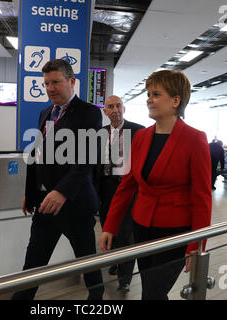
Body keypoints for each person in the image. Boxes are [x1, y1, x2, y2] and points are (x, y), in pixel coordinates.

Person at [100, 70, 212, 300]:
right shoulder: (141, 136)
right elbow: (127, 185)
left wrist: (196, 245)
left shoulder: (195, 138)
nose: (149, 98)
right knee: (153, 291)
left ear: (176, 100)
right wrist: (110, 225)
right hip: (142, 227)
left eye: (156, 94)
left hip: (175, 232)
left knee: (153, 292)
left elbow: (202, 197)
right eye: (148, 93)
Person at [12, 59, 104, 300]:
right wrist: (31, 191)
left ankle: (96, 300)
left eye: (56, 82)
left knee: (88, 265)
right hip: (44, 204)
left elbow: (86, 159)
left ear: (71, 81)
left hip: (75, 206)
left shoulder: (89, 113)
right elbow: (38, 155)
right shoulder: (45, 112)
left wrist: (62, 191)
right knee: (32, 264)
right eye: (46, 84)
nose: (50, 88)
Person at [96, 95, 144, 292]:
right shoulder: (98, 133)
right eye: (110, 107)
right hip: (105, 188)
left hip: (128, 188)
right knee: (108, 227)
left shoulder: (139, 131)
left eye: (118, 106)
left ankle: (125, 278)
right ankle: (116, 262)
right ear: (105, 111)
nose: (115, 110)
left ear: (124, 109)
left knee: (126, 233)